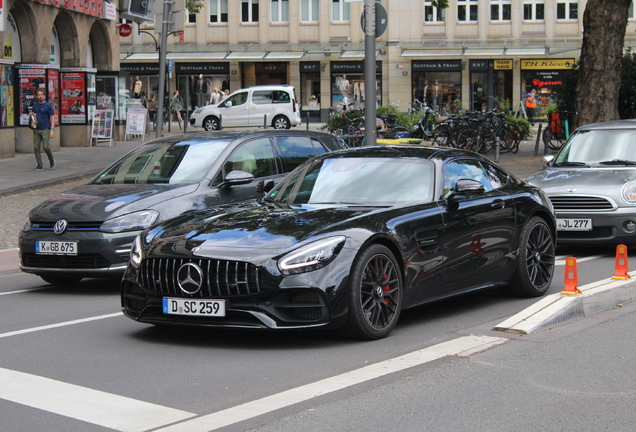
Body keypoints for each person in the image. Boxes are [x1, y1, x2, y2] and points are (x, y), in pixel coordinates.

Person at [31, 88, 55, 170]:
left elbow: (52, 117)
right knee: (36, 147)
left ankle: (51, 159)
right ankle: (39, 164)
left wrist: (52, 129)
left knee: (45, 146)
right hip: (36, 128)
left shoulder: (47, 106)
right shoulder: (35, 105)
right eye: (39, 95)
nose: (40, 96)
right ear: (36, 96)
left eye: (42, 95)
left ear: (44, 96)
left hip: (45, 128)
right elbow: (34, 114)